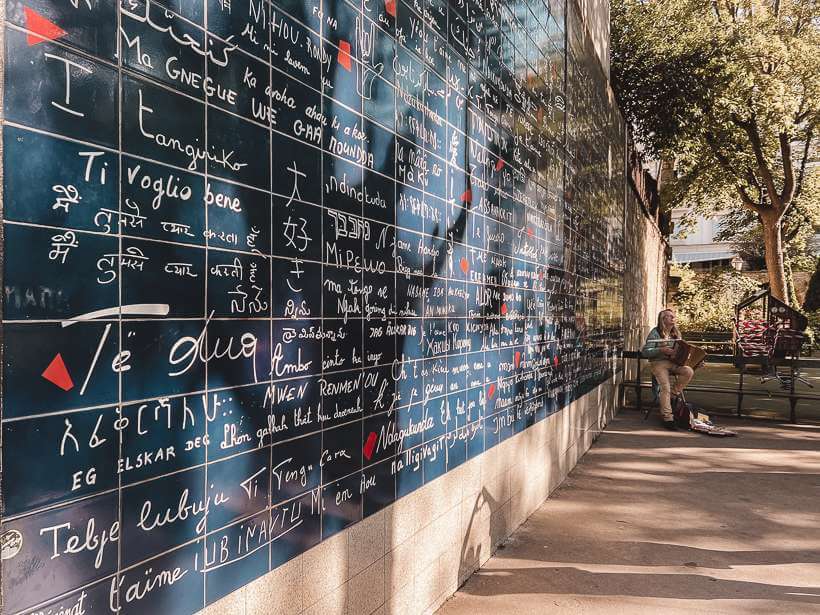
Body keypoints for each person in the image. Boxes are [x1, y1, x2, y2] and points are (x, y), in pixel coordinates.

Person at [641, 309, 694, 429]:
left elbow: (681, 352)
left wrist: (693, 360)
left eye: (673, 316)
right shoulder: (655, 333)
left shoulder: (676, 333)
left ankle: (672, 397)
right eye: (670, 316)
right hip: (659, 363)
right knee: (665, 387)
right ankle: (668, 418)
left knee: (688, 371)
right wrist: (661, 350)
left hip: (673, 363)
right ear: (663, 319)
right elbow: (645, 352)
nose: (673, 318)